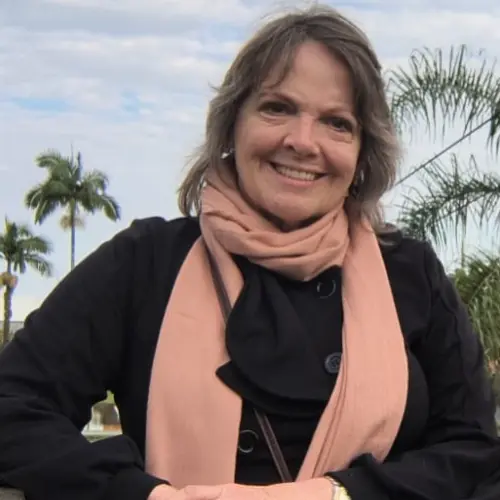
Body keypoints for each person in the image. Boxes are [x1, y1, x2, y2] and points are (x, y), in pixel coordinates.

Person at [0, 5, 499, 500]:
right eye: (277, 108)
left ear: (363, 152)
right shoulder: (145, 263)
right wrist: (143, 495)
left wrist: (337, 496)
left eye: (337, 122)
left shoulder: (410, 273)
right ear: (231, 124)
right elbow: (13, 407)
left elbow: (474, 449)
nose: (302, 142)